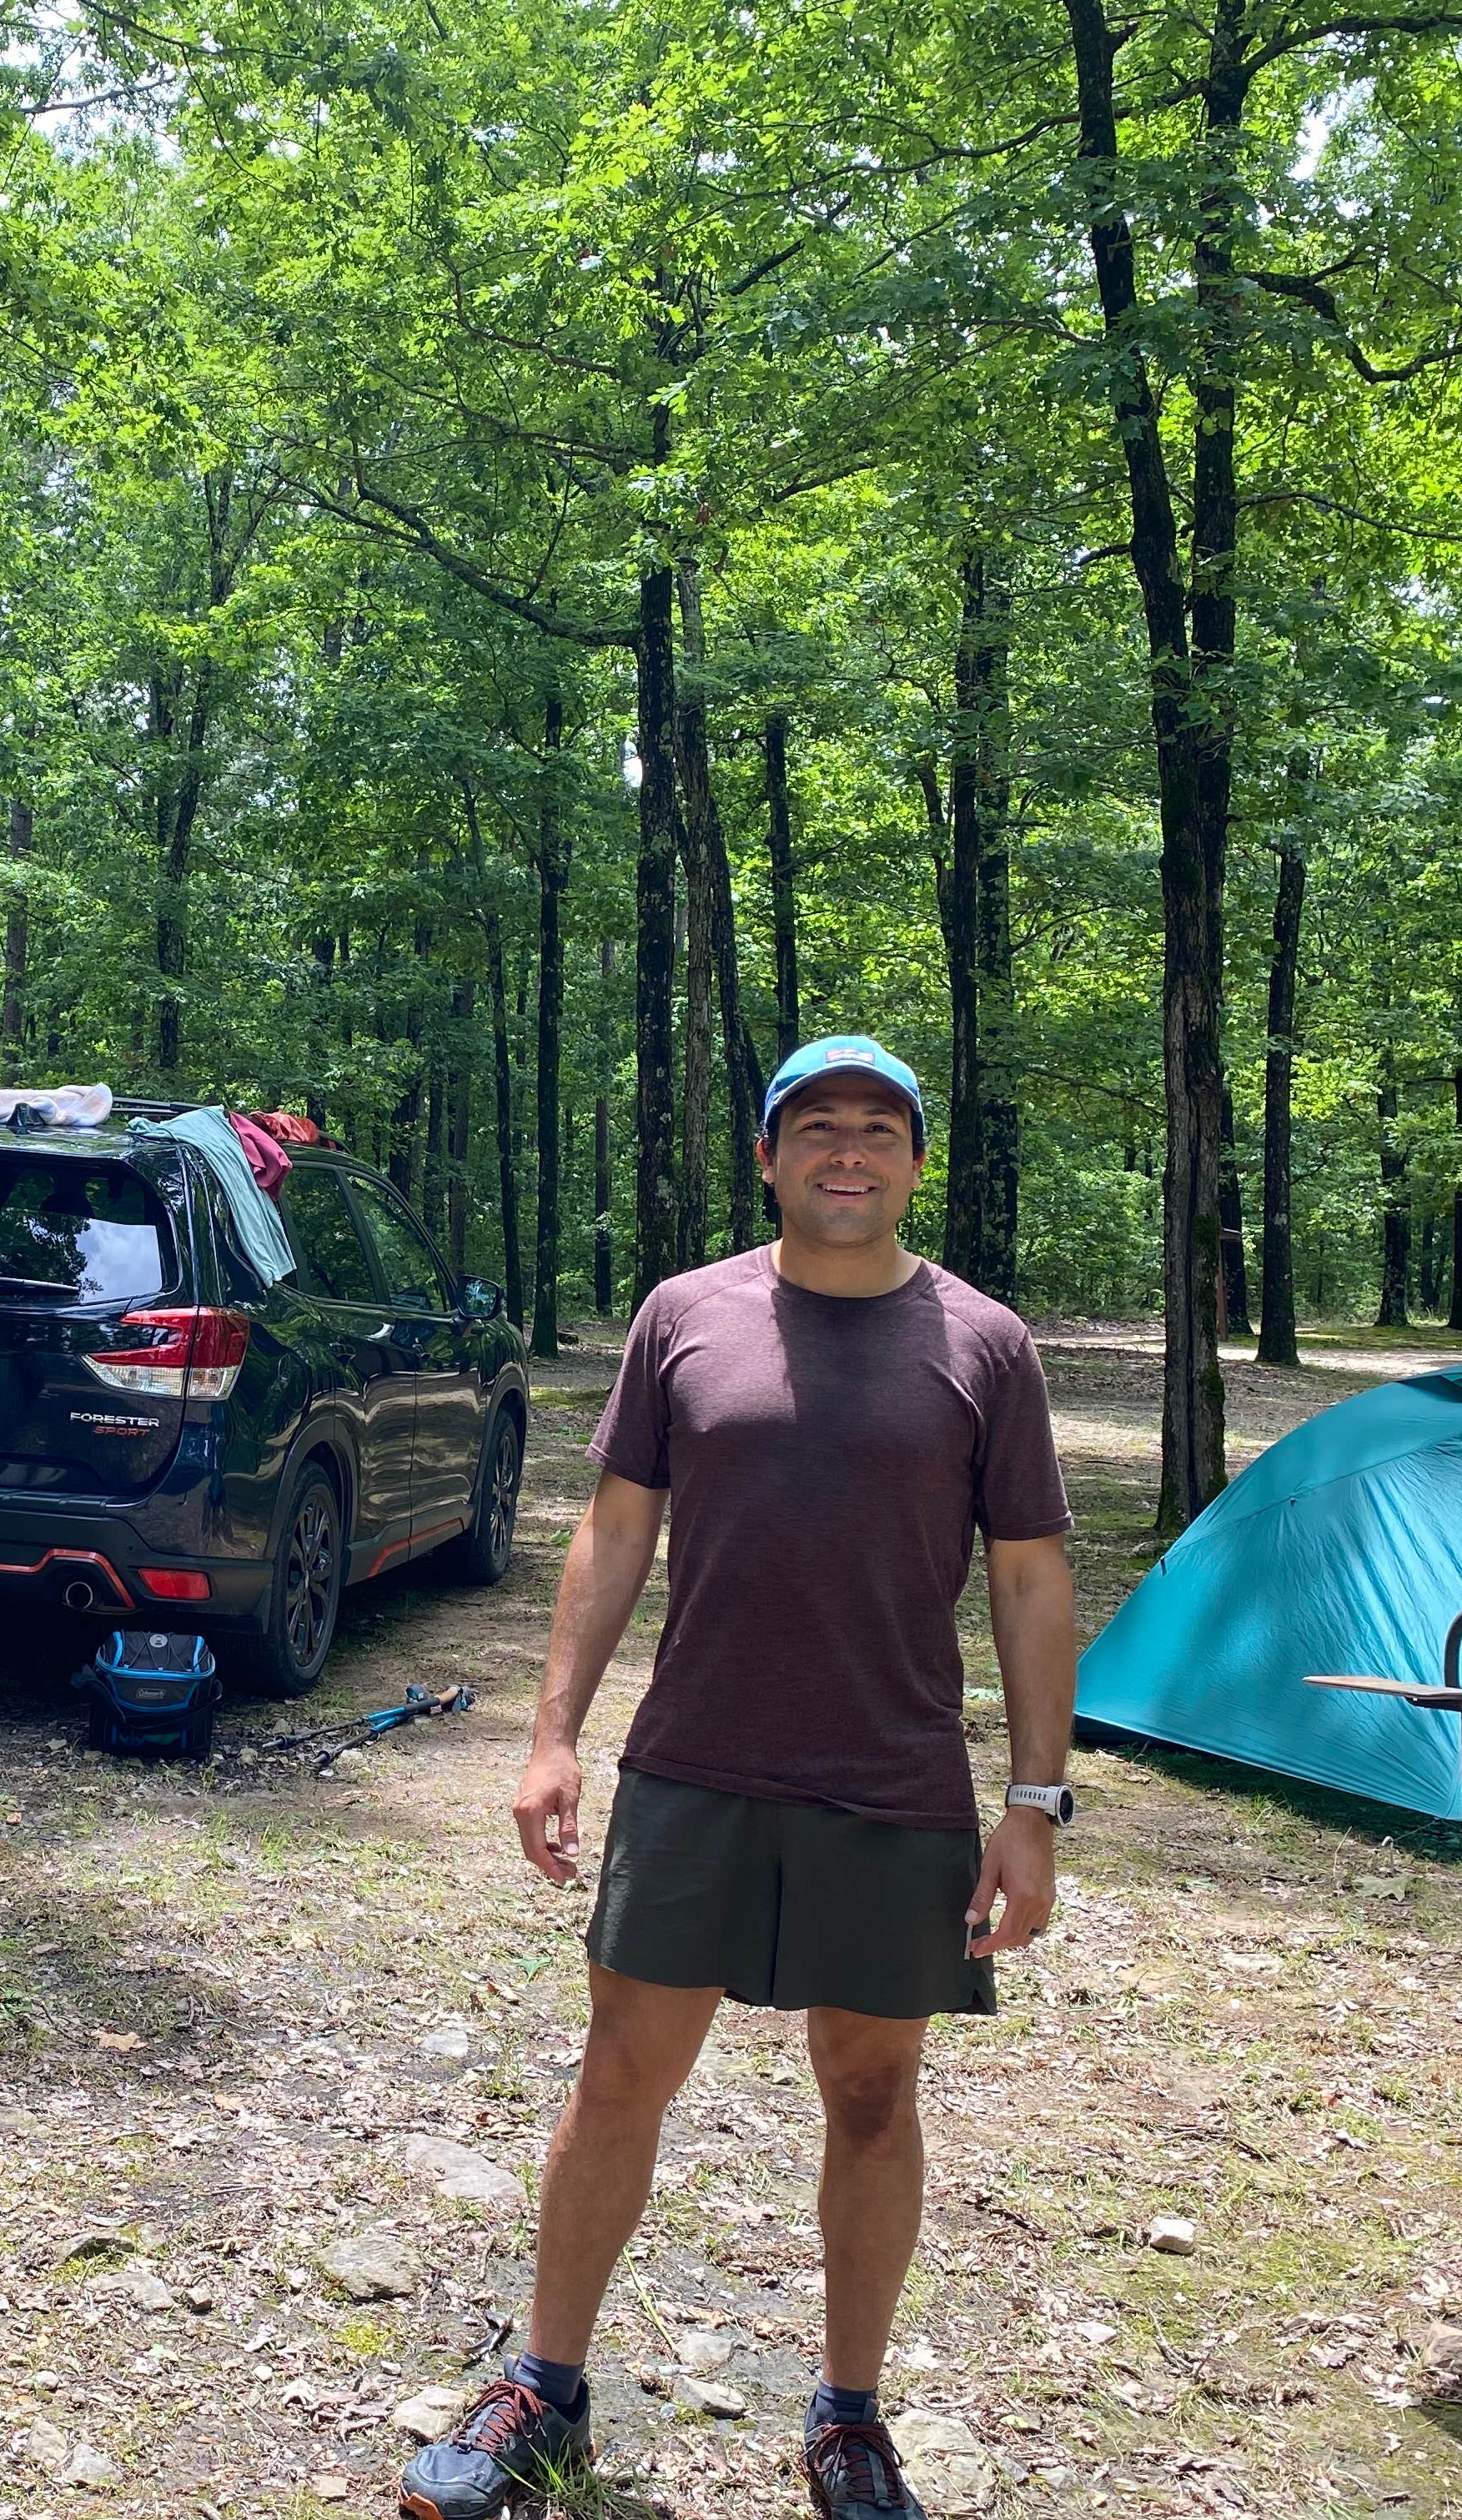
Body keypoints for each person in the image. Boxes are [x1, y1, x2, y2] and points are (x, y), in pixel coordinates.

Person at [397, 1036, 1081, 2520]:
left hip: (894, 1781)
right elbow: (613, 1531)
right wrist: (551, 1731)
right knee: (622, 2071)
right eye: (817, 1128)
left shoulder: (985, 1345)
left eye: (879, 1130)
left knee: (873, 2088)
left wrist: (1036, 1807)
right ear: (768, 1157)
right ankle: (547, 2390)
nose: (849, 1152)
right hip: (695, 1765)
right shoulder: (683, 1317)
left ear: (914, 1161)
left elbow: (1030, 1582)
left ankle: (849, 2421)